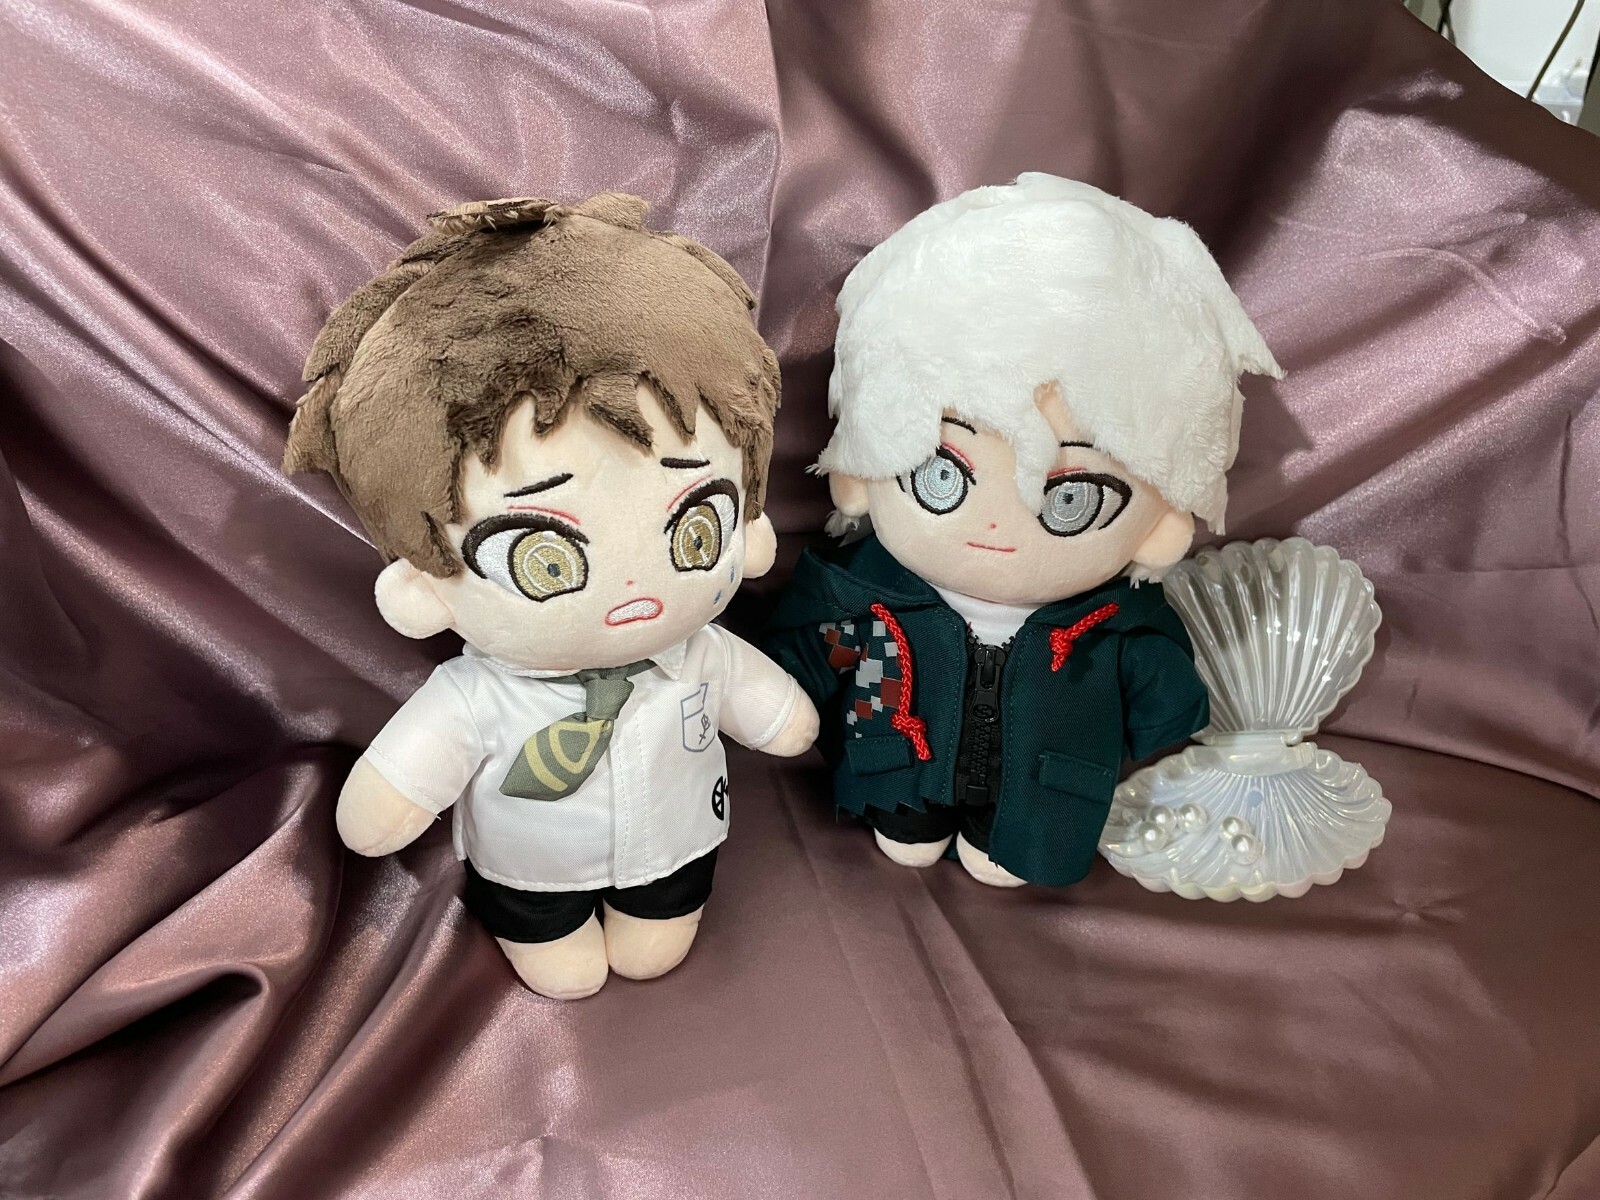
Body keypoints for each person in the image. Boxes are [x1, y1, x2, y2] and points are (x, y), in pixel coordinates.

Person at [284, 194, 817, 998]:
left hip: (678, 846)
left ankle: (658, 906)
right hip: (531, 869)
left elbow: (777, 717)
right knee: (553, 944)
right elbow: (386, 806)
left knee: (660, 928)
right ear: (425, 586)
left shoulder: (701, 653)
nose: (631, 586)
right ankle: (546, 926)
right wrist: (387, 802)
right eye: (544, 559)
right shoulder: (478, 697)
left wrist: (785, 720)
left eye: (696, 527)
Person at [763, 174, 1281, 888]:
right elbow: (813, 651)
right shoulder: (861, 595)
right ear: (862, 469)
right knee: (905, 827)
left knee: (1006, 853)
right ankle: (913, 818)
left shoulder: (1114, 627)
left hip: (1040, 800)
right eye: (940, 476)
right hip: (890, 771)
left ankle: (993, 833)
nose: (997, 524)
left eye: (1070, 499)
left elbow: (1167, 700)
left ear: (1160, 524)